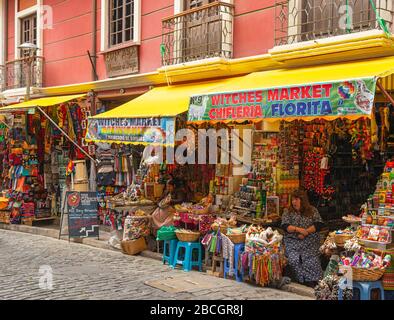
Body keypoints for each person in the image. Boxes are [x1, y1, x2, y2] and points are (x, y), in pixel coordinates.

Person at [281, 189, 325, 287]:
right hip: (293, 241)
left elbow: (318, 224)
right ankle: (301, 280)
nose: (294, 202)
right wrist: (299, 230)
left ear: (303, 200)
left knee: (312, 260)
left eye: (296, 199)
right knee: (294, 259)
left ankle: (313, 281)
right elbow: (285, 226)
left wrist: (306, 232)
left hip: (309, 241)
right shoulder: (287, 211)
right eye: (292, 200)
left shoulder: (312, 210)